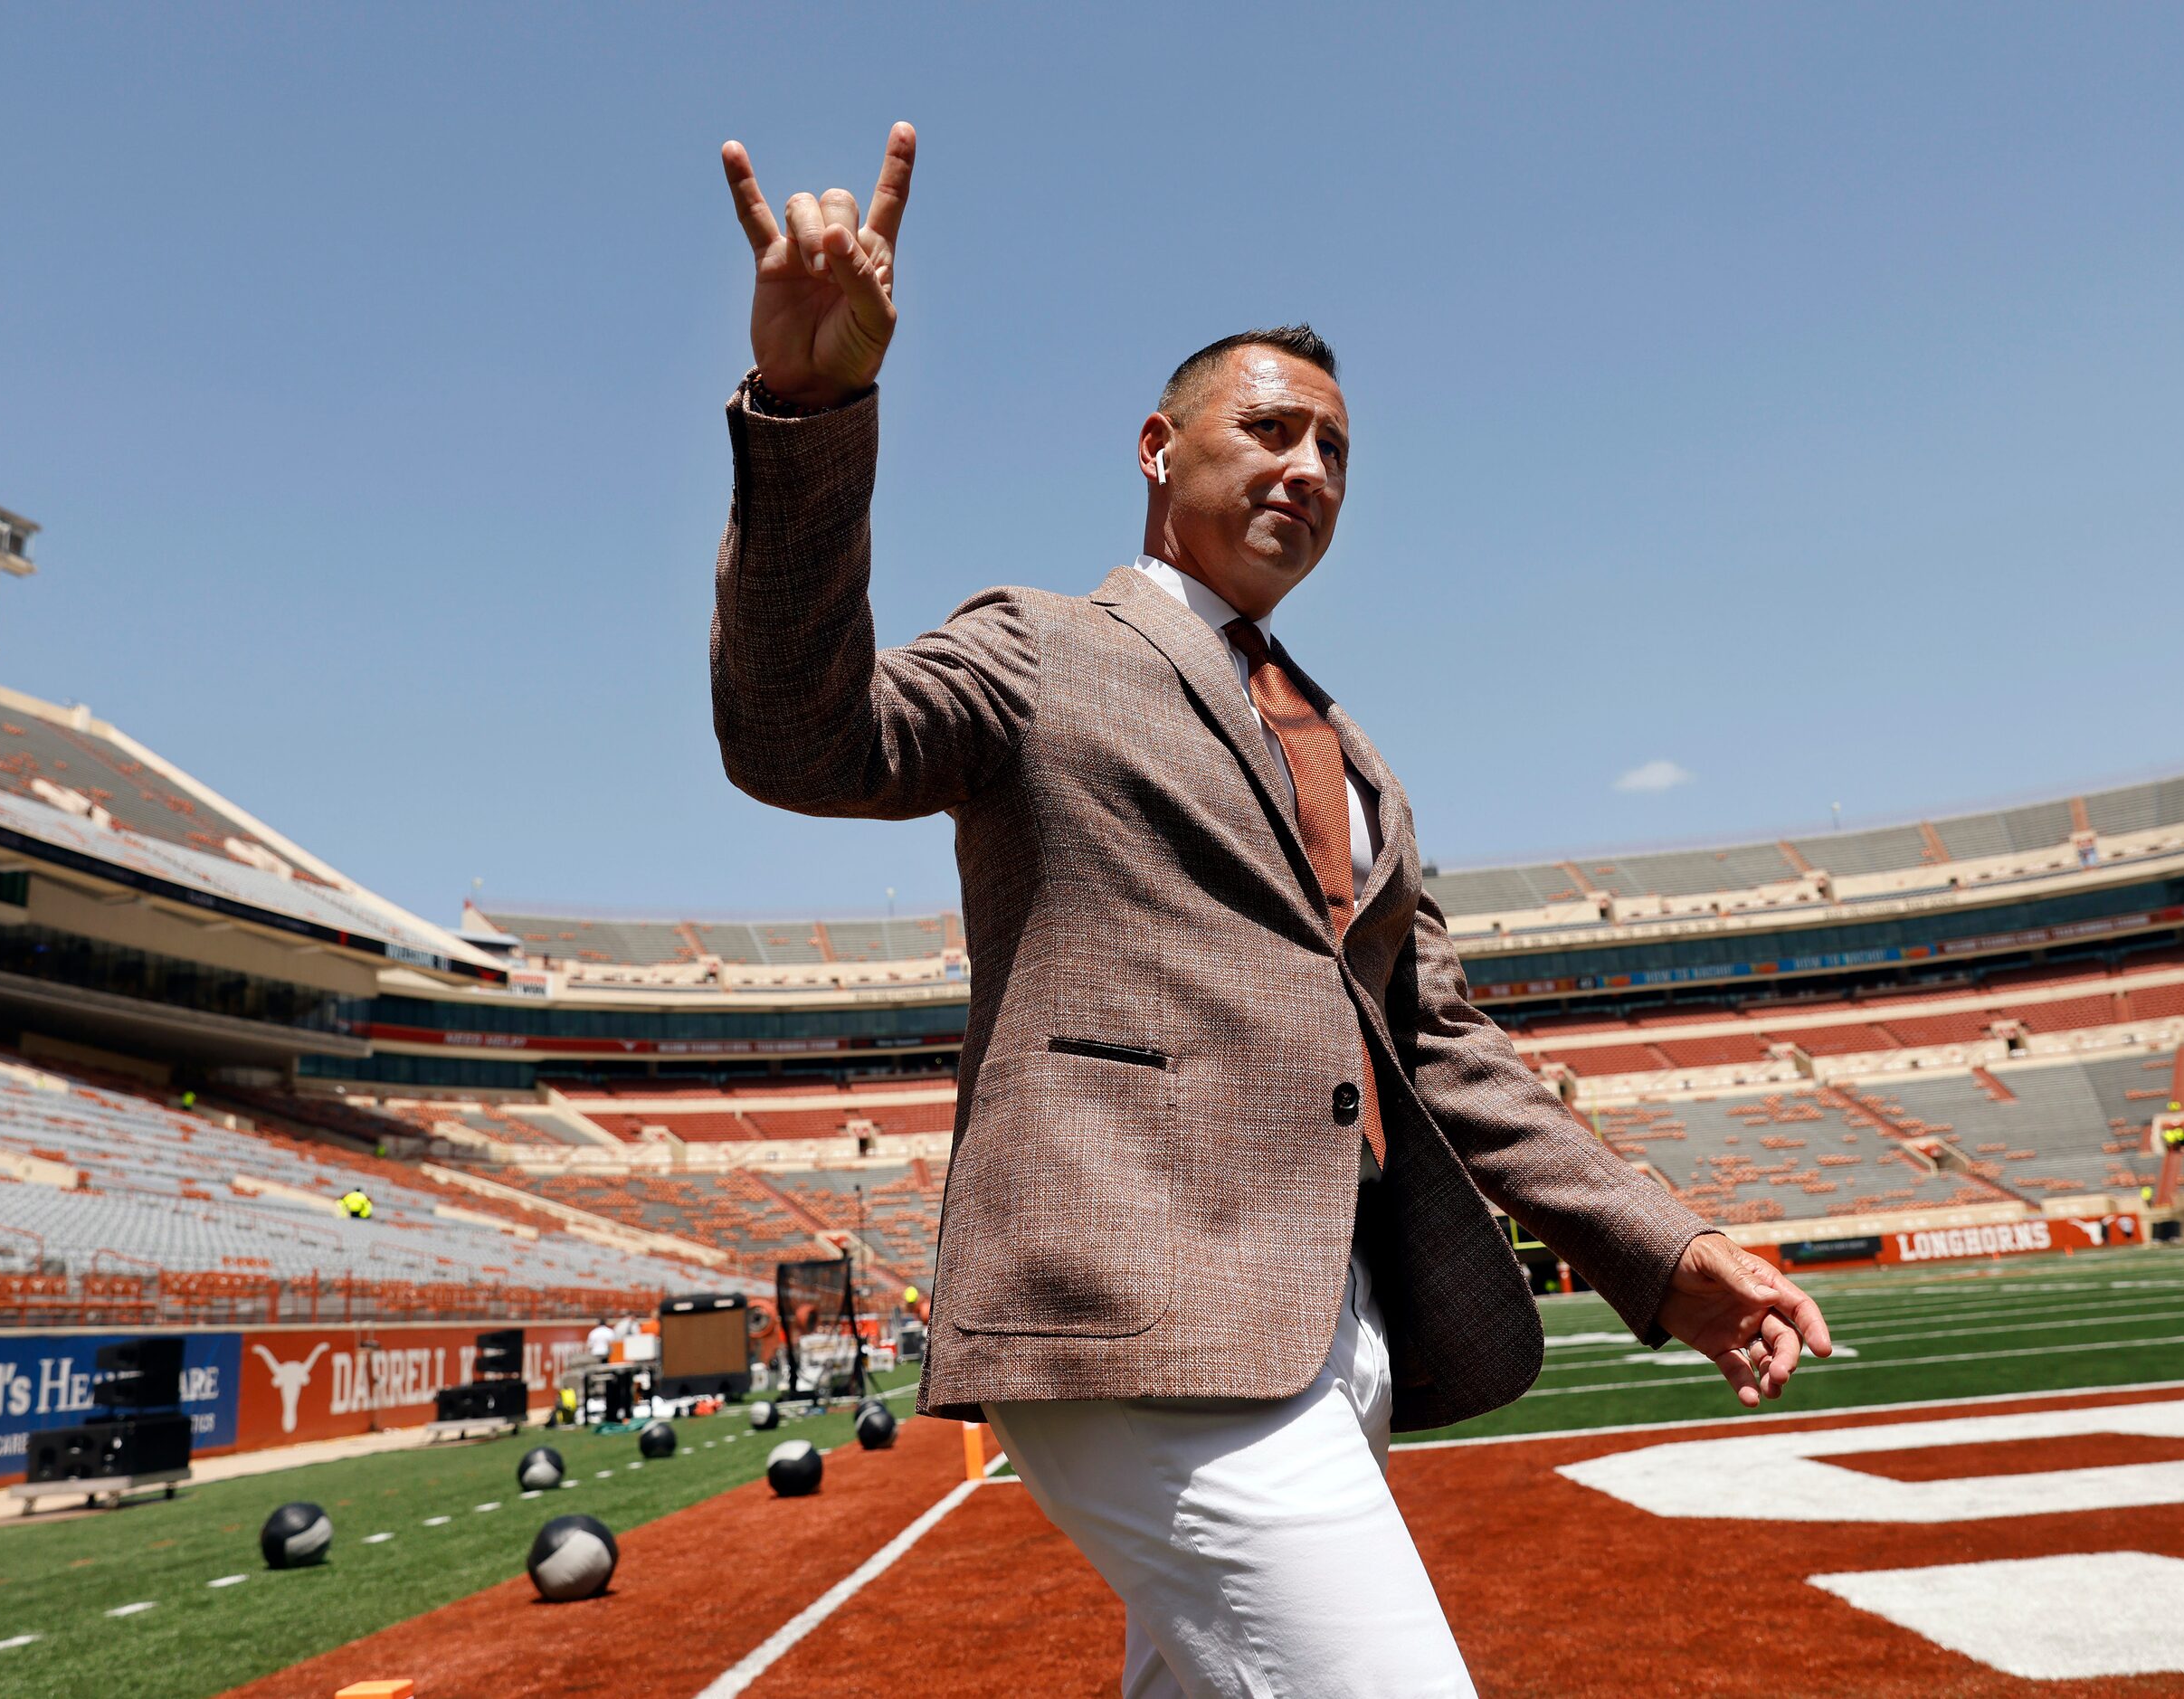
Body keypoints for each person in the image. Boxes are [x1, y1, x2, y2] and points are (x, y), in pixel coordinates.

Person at [708, 124, 1832, 1697]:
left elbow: (1440, 1050)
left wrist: (1666, 1247)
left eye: (1338, 452)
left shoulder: (1352, 752)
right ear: (1159, 446)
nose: (1308, 468)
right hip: (1131, 1300)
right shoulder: (1040, 646)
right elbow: (801, 738)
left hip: (1334, 1314)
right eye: (1271, 428)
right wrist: (811, 412)